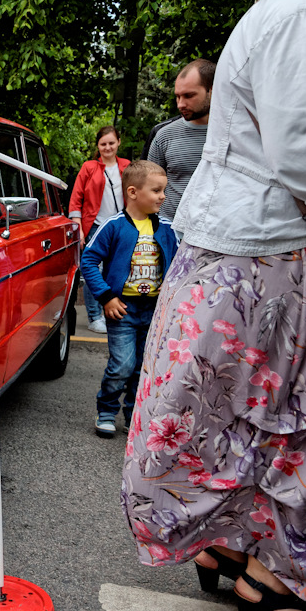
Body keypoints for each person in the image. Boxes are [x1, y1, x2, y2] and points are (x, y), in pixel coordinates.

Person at [123, 0, 306, 611]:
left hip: (247, 234)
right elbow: (299, 147)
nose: (181, 105)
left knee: (245, 410)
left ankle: (229, 549)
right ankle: (269, 571)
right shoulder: (299, 14)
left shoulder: (282, 12)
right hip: (269, 238)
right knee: (278, 410)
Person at [81, 160, 178, 438]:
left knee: (142, 368)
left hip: (155, 311)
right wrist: (106, 297)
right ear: (133, 192)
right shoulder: (113, 226)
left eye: (163, 191)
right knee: (122, 365)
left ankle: (134, 414)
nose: (163, 196)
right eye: (157, 190)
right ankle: (107, 411)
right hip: (122, 309)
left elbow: (181, 265)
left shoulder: (168, 228)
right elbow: (88, 260)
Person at [69, 126, 131, 334]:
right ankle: (94, 316)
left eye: (111, 143)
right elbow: (76, 197)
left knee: (118, 268)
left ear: (118, 143)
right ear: (98, 146)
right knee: (94, 269)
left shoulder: (127, 166)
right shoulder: (89, 167)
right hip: (95, 225)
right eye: (103, 144)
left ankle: (113, 311)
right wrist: (78, 227)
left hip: (121, 225)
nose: (108, 147)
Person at [146, 59, 215, 221]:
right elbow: (147, 189)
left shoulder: (236, 134)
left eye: (189, 96)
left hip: (220, 234)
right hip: (170, 233)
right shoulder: (163, 135)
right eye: (177, 97)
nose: (180, 104)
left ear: (212, 91)